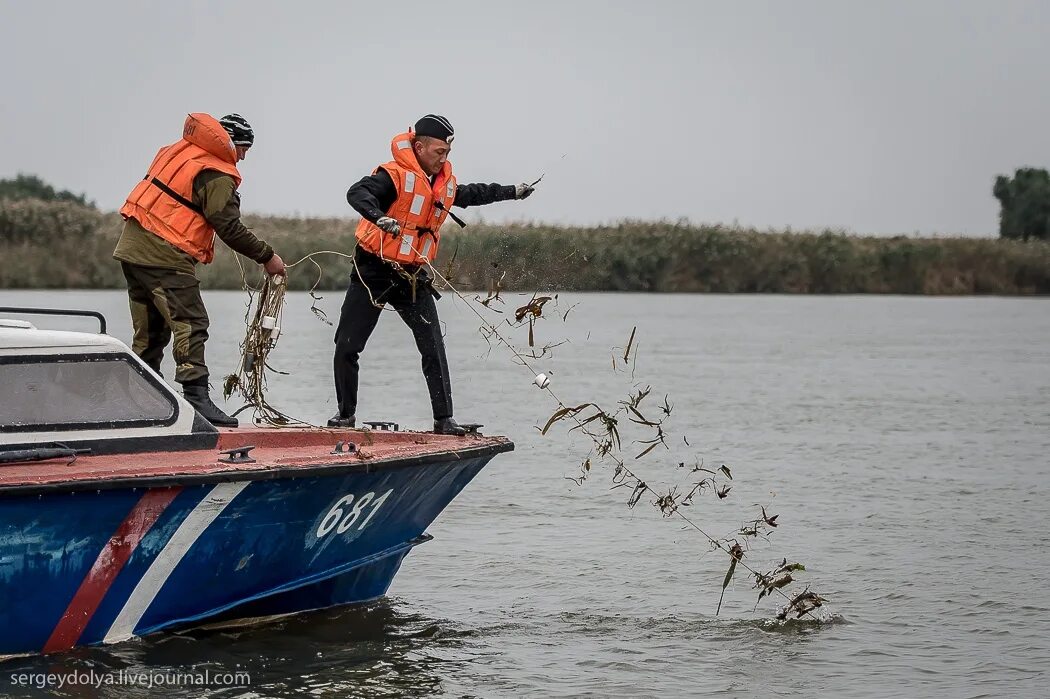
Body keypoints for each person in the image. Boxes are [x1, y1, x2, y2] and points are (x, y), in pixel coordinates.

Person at [333, 114, 535, 435]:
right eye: (438, 152)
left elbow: (474, 193)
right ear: (419, 146)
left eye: (447, 153)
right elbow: (357, 193)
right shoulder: (393, 177)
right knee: (348, 344)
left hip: (411, 275)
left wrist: (513, 191)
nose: (444, 159)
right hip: (372, 269)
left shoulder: (443, 184)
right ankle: (345, 416)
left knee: (433, 346)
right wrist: (378, 217)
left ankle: (444, 420)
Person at [113, 112, 286, 428]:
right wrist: (267, 256)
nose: (244, 155)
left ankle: (137, 400)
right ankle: (196, 399)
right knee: (191, 321)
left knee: (152, 332)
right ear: (229, 142)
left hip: (133, 248)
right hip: (163, 254)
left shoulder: (179, 152)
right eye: (244, 147)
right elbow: (228, 227)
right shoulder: (216, 172)